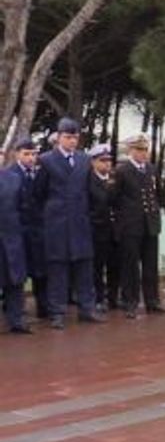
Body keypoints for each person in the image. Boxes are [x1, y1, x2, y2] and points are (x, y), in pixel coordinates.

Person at [35, 117, 105, 329]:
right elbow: (39, 193)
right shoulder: (46, 160)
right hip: (57, 224)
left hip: (80, 223)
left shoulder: (84, 160)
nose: (72, 141)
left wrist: (89, 215)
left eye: (75, 137)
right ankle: (57, 312)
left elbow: (90, 191)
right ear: (59, 137)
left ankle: (87, 309)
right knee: (58, 269)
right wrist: (50, 215)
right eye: (68, 137)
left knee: (84, 267)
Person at [115, 134, 165, 318]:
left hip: (150, 224)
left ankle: (152, 301)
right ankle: (130, 302)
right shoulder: (122, 170)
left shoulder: (151, 169)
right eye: (139, 149)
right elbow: (113, 197)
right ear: (130, 150)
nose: (143, 153)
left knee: (150, 265)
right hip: (131, 225)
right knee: (130, 266)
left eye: (145, 149)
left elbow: (157, 193)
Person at [10, 139, 48, 320]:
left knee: (40, 270)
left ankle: (44, 307)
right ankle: (14, 309)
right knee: (18, 272)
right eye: (26, 154)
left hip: (39, 230)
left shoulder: (40, 174)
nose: (31, 158)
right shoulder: (10, 174)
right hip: (19, 230)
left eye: (34, 154)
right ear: (17, 154)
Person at [87, 144, 120, 311]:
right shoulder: (88, 181)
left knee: (115, 265)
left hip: (115, 230)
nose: (107, 164)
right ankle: (98, 298)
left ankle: (113, 297)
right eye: (103, 160)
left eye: (109, 160)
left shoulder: (114, 179)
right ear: (93, 162)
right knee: (97, 267)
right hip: (97, 230)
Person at [0, 159, 30, 334]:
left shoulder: (14, 179)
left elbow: (23, 207)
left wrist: (19, 229)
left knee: (15, 280)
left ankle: (16, 320)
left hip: (12, 236)